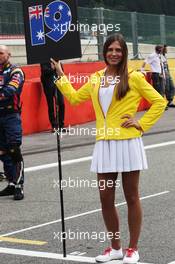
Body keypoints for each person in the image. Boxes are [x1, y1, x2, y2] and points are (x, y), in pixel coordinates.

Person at [51, 34, 166, 263]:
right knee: (105, 199)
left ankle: (132, 249)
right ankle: (115, 248)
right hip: (104, 143)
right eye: (110, 49)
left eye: (119, 50)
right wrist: (61, 75)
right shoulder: (96, 78)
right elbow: (74, 99)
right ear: (104, 52)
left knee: (132, 196)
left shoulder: (133, 77)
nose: (114, 53)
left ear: (123, 53)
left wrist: (141, 123)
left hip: (128, 142)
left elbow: (159, 101)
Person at [0, 45, 25, 200]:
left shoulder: (16, 70)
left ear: (9, 54)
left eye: (1, 53)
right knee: (3, 152)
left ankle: (19, 186)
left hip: (11, 115)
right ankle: (10, 183)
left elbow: (11, 90)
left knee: (14, 149)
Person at [40, 62, 65, 132]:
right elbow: (45, 71)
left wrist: (57, 68)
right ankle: (54, 126)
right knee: (50, 105)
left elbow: (61, 71)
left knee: (61, 103)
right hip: (48, 85)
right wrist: (53, 68)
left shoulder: (57, 60)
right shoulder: (44, 60)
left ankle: (61, 125)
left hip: (58, 84)